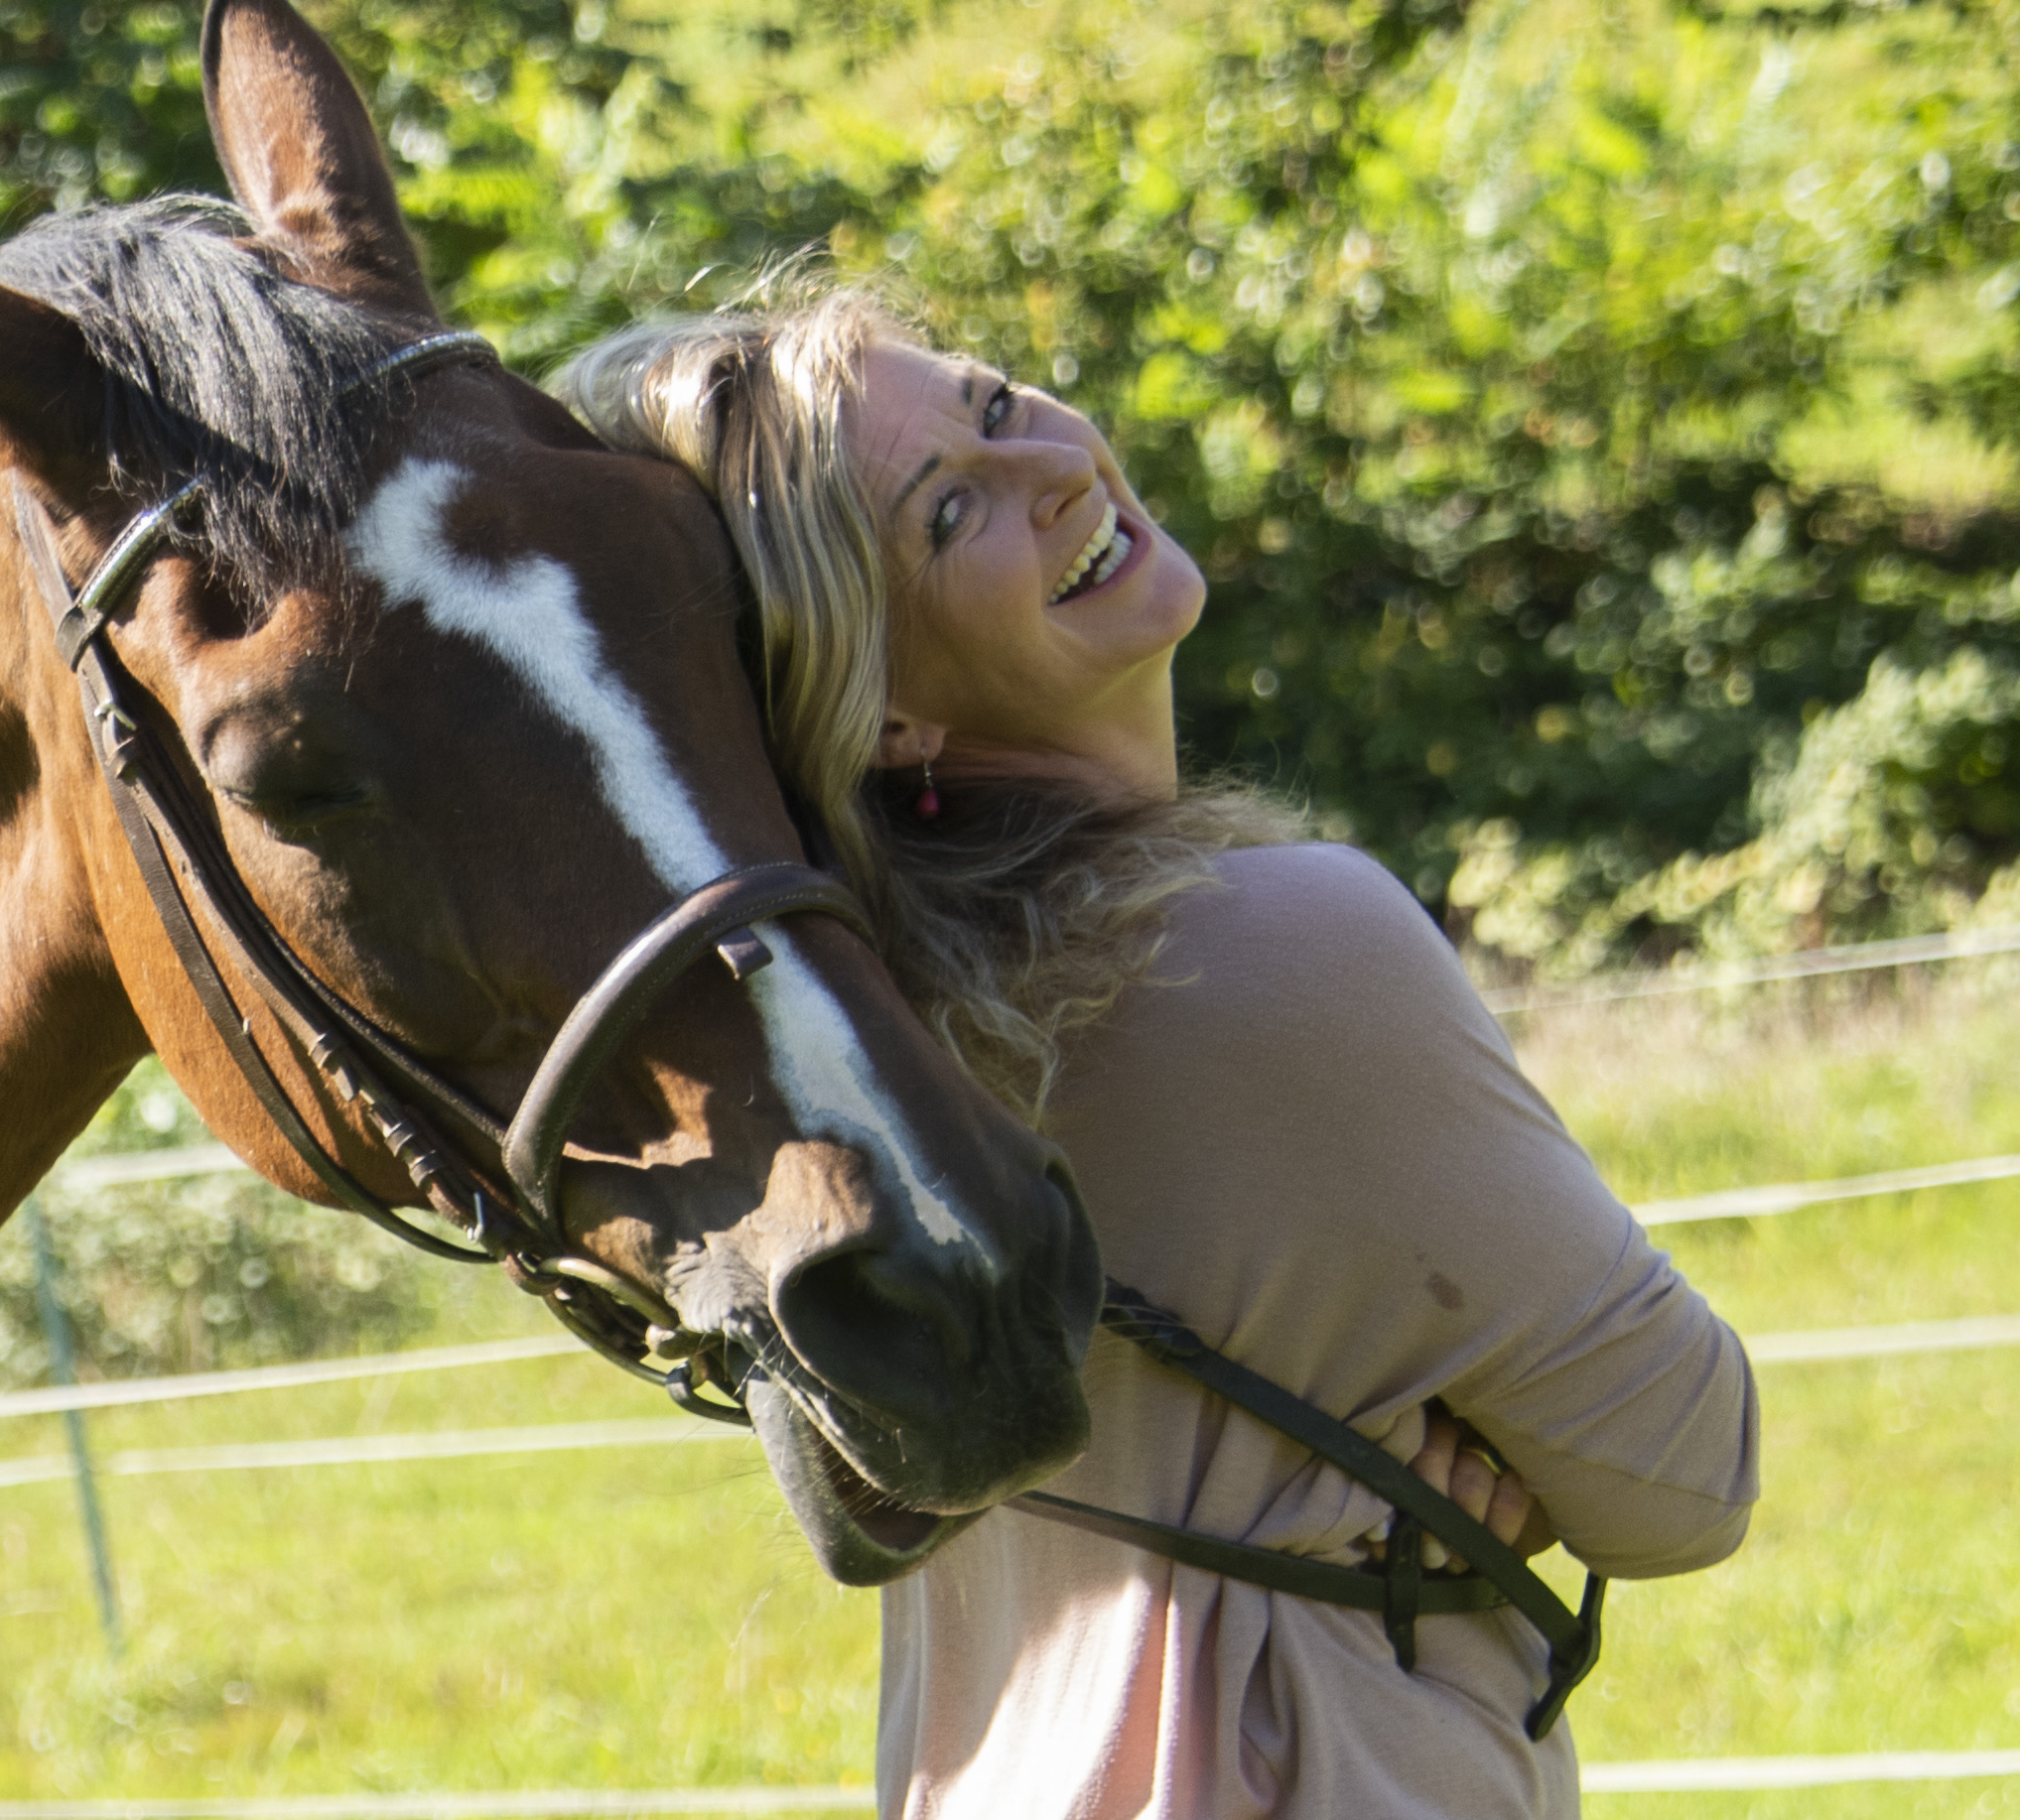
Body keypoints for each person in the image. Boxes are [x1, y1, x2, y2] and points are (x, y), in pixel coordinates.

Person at [557, 291, 1759, 1820]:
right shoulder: (1280, 946)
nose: (1048, 469)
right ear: (882, 712)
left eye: (995, 405)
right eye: (948, 513)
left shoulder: (843, 1041)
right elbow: (1683, 1477)